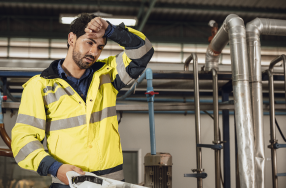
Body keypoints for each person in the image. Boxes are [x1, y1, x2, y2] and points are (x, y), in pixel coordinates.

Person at [11, 13, 154, 188]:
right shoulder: (40, 87)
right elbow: (23, 140)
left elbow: (144, 50)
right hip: (68, 183)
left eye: (100, 47)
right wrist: (56, 168)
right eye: (89, 42)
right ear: (71, 39)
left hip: (112, 182)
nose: (94, 52)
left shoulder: (109, 74)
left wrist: (110, 29)